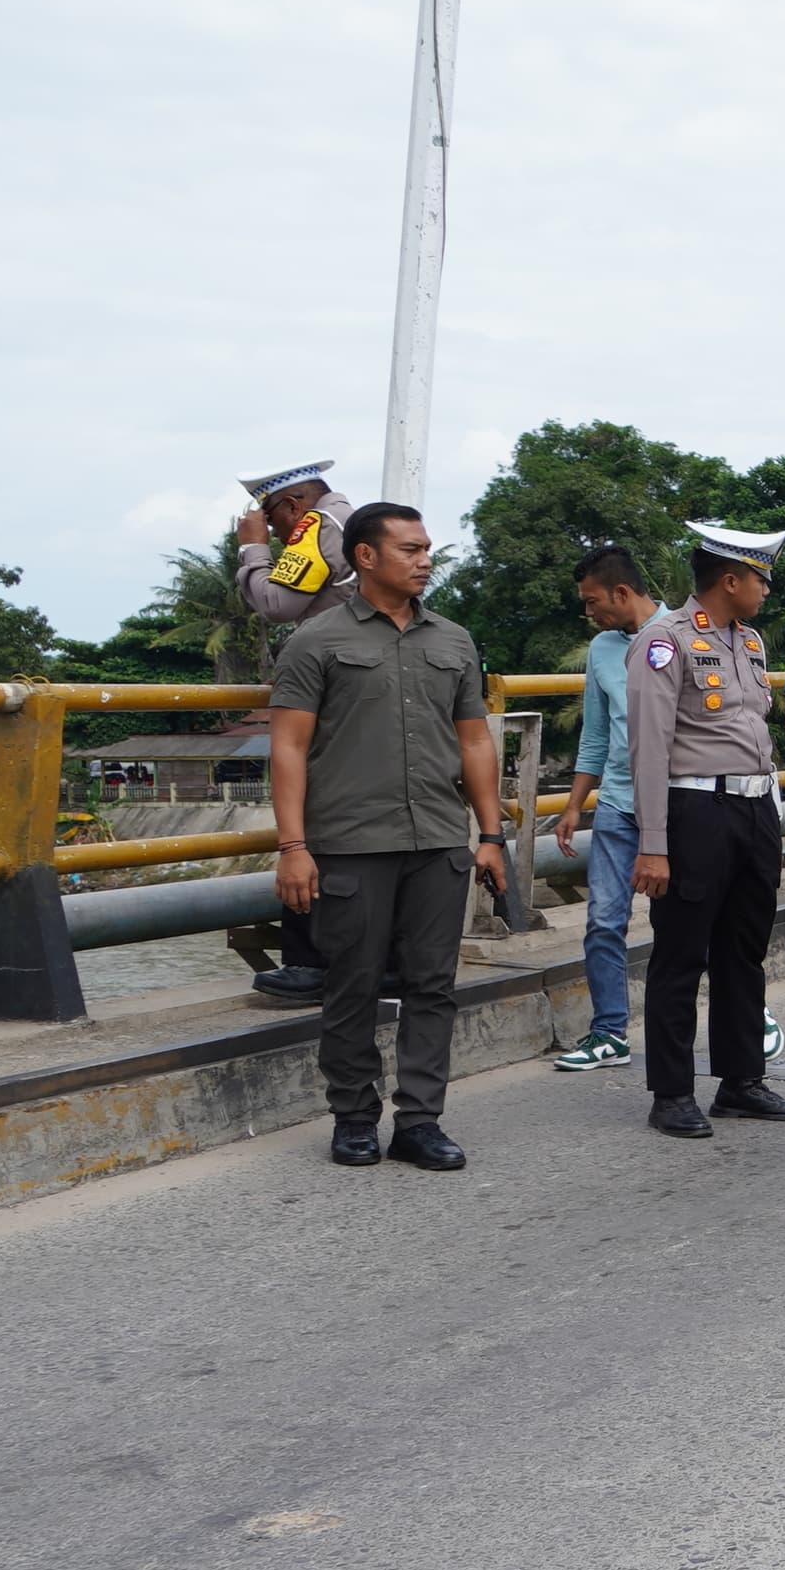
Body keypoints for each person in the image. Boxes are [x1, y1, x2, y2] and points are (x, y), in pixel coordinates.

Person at [264, 500, 504, 1171]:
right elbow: (287, 747)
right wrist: (292, 847)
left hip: (436, 839)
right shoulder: (316, 642)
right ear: (365, 556)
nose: (425, 560)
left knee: (433, 984)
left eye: (427, 548)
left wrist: (490, 834)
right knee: (353, 984)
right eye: (409, 549)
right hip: (348, 843)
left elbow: (476, 739)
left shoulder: (453, 641)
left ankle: (421, 1121)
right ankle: (354, 1117)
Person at [626, 521, 785, 1140]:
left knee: (744, 950)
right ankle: (672, 1092)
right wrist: (653, 844)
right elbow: (649, 750)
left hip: (755, 809)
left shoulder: (750, 642)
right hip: (695, 813)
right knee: (681, 954)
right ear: (729, 580)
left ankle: (741, 1080)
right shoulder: (665, 642)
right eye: (760, 577)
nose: (766, 588)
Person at [234, 459, 354, 1002]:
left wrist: (251, 549)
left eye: (271, 518)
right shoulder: (353, 522)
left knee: (311, 811)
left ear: (290, 504)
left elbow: (277, 602)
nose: (277, 530)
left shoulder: (316, 525)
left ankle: (309, 962)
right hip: (365, 679)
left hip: (331, 684)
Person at [550, 542, 658, 1072]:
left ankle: (744, 1012)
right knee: (603, 921)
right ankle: (609, 1031)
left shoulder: (683, 634)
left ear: (621, 592)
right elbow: (595, 735)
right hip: (616, 805)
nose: (588, 613)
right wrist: (574, 805)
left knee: (685, 922)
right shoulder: (602, 651)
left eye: (592, 602)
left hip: (676, 808)